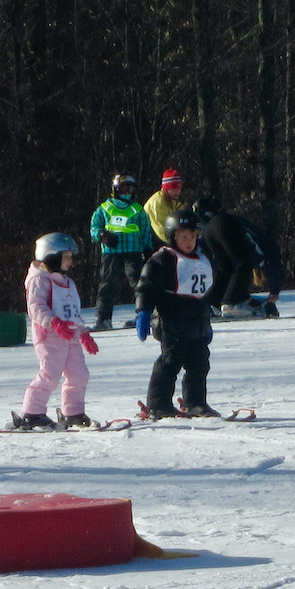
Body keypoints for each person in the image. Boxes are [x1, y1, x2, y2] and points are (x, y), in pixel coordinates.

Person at [9, 233, 99, 430]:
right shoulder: (39, 280)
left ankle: (72, 412)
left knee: (79, 374)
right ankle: (32, 413)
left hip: (71, 336)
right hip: (50, 336)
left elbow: (73, 311)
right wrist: (54, 322)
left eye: (70, 257)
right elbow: (36, 307)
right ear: (51, 256)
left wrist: (83, 332)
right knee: (50, 373)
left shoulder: (68, 283)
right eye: (66, 257)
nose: (70, 261)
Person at [134, 210, 217, 418]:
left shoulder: (202, 259)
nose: (189, 242)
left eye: (193, 236)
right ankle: (158, 404)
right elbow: (145, 287)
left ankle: (195, 402)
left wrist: (207, 323)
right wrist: (143, 312)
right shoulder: (164, 259)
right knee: (170, 362)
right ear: (173, 237)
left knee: (200, 363)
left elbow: (204, 295)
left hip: (197, 322)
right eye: (184, 237)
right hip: (171, 321)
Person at [193, 196, 283, 318]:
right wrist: (274, 291)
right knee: (243, 263)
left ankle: (211, 302)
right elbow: (274, 263)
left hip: (207, 230)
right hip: (221, 224)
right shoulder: (267, 248)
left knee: (227, 266)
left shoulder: (236, 224)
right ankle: (232, 303)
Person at [89, 174, 153, 330]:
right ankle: (103, 318)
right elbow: (94, 228)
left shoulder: (137, 209)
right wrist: (103, 236)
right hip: (111, 252)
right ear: (116, 190)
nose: (127, 192)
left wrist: (147, 248)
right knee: (108, 284)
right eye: (124, 188)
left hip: (133, 251)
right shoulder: (104, 208)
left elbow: (145, 231)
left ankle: (144, 313)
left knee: (138, 282)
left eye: (130, 188)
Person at [144, 168, 187, 249]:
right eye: (174, 188)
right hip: (151, 241)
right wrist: (178, 244)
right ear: (166, 188)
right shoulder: (158, 202)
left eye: (179, 188)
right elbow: (162, 229)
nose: (178, 191)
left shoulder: (176, 201)